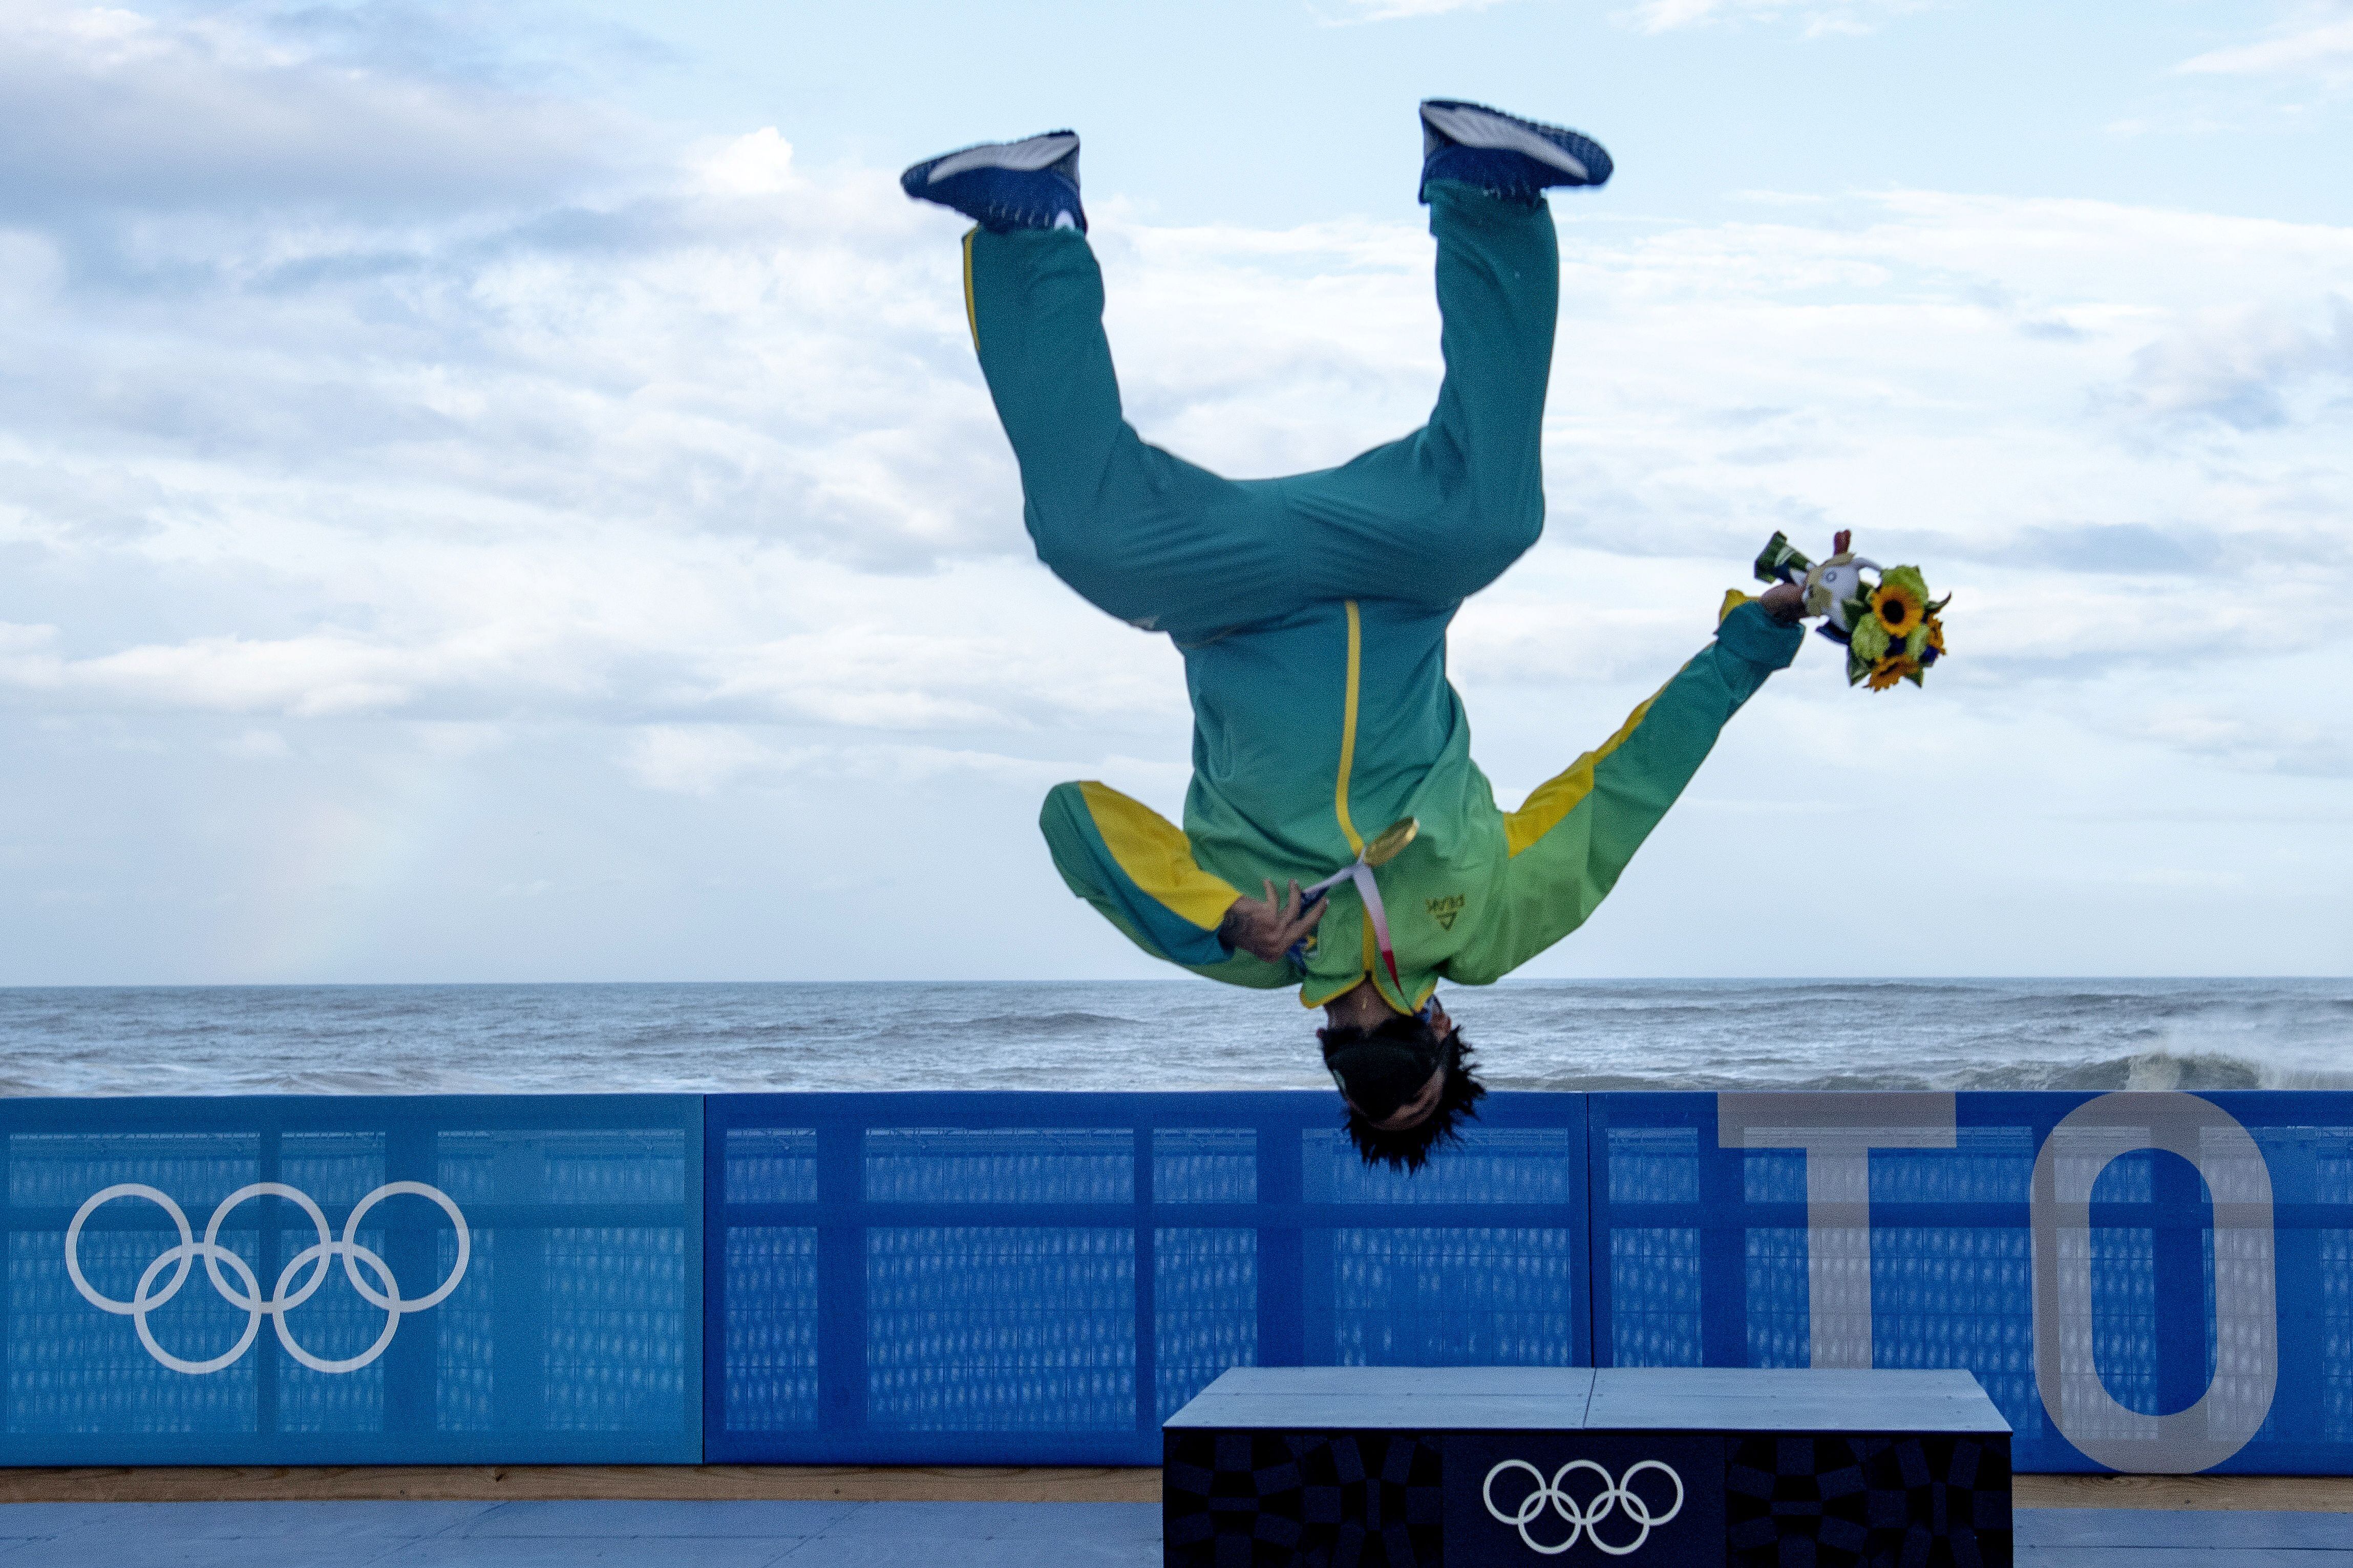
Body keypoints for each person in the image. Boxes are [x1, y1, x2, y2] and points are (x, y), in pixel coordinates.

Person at [902, 102, 1806, 1170]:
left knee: (1082, 537)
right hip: (1397, 583)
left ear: (1329, 1062)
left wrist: (1224, 915)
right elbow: (1625, 789)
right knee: (1498, 515)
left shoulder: (1241, 950)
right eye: (1405, 1081)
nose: (1370, 1057)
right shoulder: (1491, 926)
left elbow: (1074, 819)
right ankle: (1484, 193)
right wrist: (1756, 639)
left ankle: (1028, 223)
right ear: (1442, 1034)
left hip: (1225, 599)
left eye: (1359, 1082)